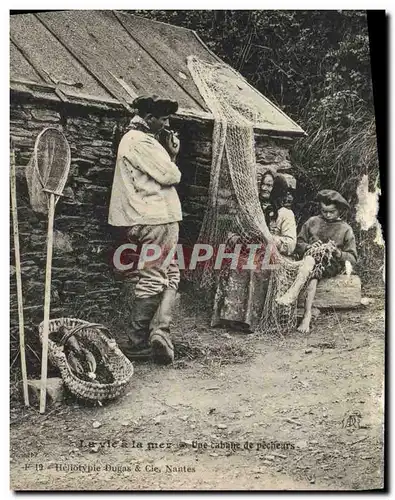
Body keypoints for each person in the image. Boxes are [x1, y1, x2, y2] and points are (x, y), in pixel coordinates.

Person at [108, 95, 182, 364]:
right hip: (155, 218)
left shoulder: (138, 140)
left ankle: (161, 331)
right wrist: (173, 156)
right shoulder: (141, 141)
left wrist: (169, 154)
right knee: (153, 276)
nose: (166, 124)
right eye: (163, 119)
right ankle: (137, 341)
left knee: (171, 272)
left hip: (148, 217)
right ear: (148, 118)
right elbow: (171, 175)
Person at [211, 169, 297, 332]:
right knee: (232, 262)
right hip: (248, 250)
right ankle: (230, 317)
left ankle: (250, 320)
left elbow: (291, 244)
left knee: (254, 267)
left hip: (271, 254)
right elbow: (233, 231)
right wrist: (238, 239)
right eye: (263, 184)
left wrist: (268, 239)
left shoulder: (285, 214)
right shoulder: (251, 210)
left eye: (270, 185)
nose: (265, 188)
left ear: (277, 188)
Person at [295, 189, 358, 333]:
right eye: (324, 211)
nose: (328, 215)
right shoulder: (312, 222)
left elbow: (353, 258)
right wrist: (309, 246)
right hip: (310, 258)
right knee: (312, 261)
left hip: (331, 264)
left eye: (332, 212)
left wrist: (337, 252)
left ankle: (306, 315)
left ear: (339, 211)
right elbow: (298, 244)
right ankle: (305, 312)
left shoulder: (345, 229)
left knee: (314, 267)